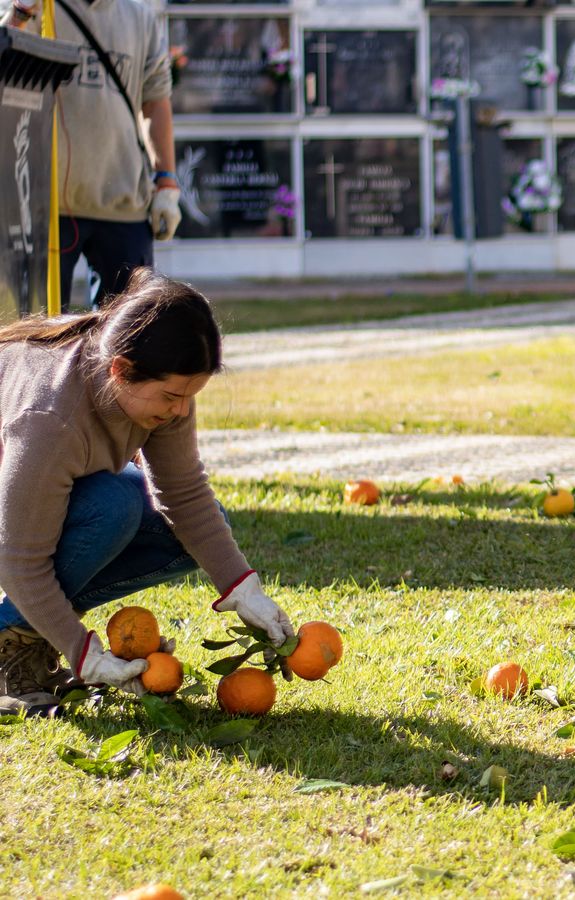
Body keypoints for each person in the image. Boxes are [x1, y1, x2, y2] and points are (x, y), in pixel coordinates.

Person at [0, 268, 294, 715]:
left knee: (171, 527)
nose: (179, 410)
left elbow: (185, 495)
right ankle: (9, 640)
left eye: (190, 396)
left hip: (26, 519)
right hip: (11, 530)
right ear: (120, 371)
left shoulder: (156, 394)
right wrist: (86, 654)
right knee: (115, 503)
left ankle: (26, 632)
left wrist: (243, 588)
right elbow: (17, 557)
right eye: (171, 396)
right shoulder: (50, 418)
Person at [2, 0, 183, 308]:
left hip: (123, 201)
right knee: (39, 334)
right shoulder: (33, 5)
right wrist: (20, 13)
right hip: (43, 206)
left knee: (128, 338)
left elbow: (155, 101)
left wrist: (166, 180)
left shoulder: (141, 17)